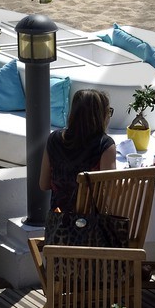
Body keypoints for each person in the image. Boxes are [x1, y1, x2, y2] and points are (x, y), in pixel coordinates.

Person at [38, 88, 117, 218]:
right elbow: (111, 192)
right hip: (91, 228)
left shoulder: (54, 139)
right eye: (108, 111)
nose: (109, 116)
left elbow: (44, 184)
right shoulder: (104, 145)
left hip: (59, 227)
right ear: (100, 115)